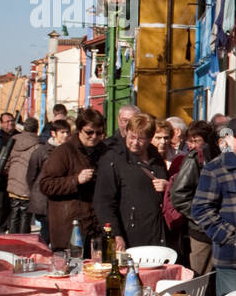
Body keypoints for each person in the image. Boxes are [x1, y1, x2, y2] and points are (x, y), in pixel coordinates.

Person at [190, 117, 236, 296]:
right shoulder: (215, 168)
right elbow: (200, 208)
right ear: (227, 139)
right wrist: (227, 235)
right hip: (232, 256)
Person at [93, 112, 169, 251]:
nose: (135, 143)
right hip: (130, 235)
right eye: (132, 137)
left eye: (141, 139)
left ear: (150, 138)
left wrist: (168, 187)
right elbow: (104, 202)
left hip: (158, 233)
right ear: (126, 132)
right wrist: (115, 234)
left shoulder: (156, 157)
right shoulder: (113, 158)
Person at [38, 108, 104, 255]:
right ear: (80, 130)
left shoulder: (104, 151)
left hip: (95, 230)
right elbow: (45, 184)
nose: (94, 137)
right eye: (89, 132)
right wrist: (75, 180)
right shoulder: (64, 152)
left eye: (99, 133)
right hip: (69, 231)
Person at [168, 120, 220, 279]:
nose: (191, 145)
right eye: (189, 141)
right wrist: (200, 215)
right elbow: (178, 194)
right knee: (200, 278)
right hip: (200, 230)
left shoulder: (217, 155)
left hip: (217, 227)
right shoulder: (194, 158)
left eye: (196, 141)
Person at [26, 118, 67, 245]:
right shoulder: (42, 152)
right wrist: (39, 191)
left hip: (61, 199)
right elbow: (31, 176)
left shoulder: (69, 151)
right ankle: (41, 255)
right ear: (53, 134)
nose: (66, 136)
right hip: (44, 200)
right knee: (48, 232)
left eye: (67, 132)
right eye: (62, 133)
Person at [3, 117, 43, 233]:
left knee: (14, 211)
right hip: (27, 183)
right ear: (36, 129)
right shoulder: (38, 144)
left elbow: (7, 161)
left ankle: (13, 236)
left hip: (13, 181)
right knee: (25, 214)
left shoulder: (14, 140)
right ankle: (23, 237)